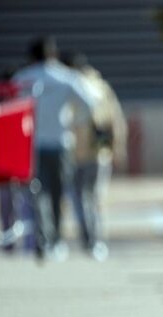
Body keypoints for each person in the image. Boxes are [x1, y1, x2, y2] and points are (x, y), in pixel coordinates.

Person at [12, 36, 99, 258]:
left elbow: (9, 107)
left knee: (38, 193)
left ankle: (44, 239)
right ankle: (57, 240)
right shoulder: (66, 77)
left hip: (33, 144)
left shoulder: (23, 78)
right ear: (53, 53)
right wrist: (73, 121)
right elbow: (89, 103)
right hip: (61, 143)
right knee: (59, 195)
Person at [61, 51, 128, 260]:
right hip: (101, 150)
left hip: (77, 151)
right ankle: (96, 239)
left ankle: (90, 239)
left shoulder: (72, 86)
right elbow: (115, 118)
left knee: (80, 197)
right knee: (95, 197)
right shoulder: (100, 85)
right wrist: (118, 147)